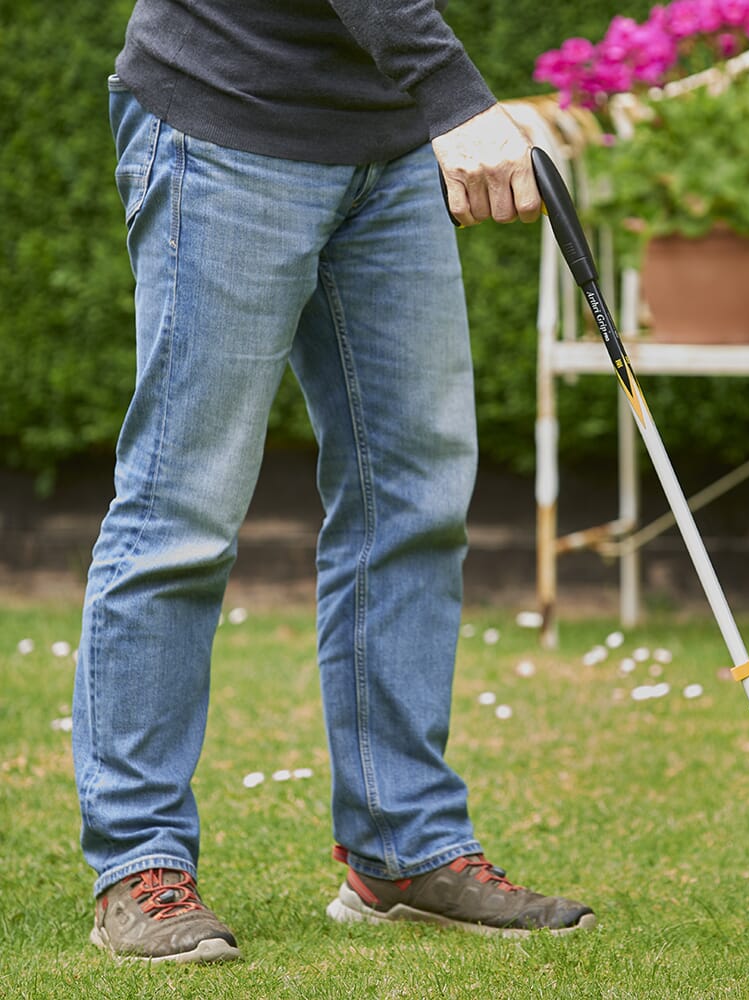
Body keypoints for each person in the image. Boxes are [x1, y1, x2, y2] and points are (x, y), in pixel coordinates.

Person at [72, 0, 595, 964]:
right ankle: (136, 863)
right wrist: (457, 95)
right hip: (226, 116)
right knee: (179, 511)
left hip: (392, 147)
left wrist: (436, 104)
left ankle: (405, 849)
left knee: (415, 504)